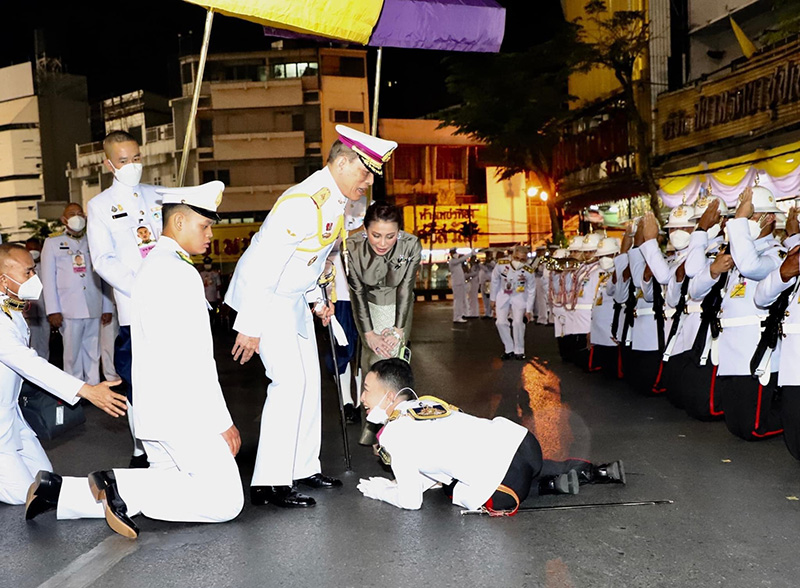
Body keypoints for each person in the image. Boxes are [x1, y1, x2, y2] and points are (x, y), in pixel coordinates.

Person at [25, 181, 243, 538]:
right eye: (204, 226)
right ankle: (117, 487)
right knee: (225, 501)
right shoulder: (179, 272)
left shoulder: (151, 267)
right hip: (183, 413)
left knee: (168, 482)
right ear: (179, 223)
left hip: (155, 412)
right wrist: (221, 420)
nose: (209, 235)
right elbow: (194, 357)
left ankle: (58, 493)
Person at [224, 125, 398, 508]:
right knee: (287, 384)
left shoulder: (334, 202)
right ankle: (269, 483)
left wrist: (319, 298)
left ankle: (301, 468)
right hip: (264, 300)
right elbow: (267, 266)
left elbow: (311, 260)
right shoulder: (303, 202)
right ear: (341, 162)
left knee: (307, 384)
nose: (368, 183)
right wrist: (250, 327)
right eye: (364, 172)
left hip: (292, 299)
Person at [356, 359, 625, 513]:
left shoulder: (393, 434)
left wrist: (382, 491)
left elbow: (411, 502)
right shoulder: (425, 403)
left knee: (453, 488)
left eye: (367, 389)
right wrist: (400, 482)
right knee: (484, 462)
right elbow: (429, 459)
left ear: (390, 397)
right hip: (523, 443)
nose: (362, 397)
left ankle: (547, 487)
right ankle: (596, 471)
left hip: (507, 484)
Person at [0, 244, 127, 506]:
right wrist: (88, 390)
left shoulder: (10, 307)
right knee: (24, 494)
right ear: (4, 280)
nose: (35, 279)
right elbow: (29, 364)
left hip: (11, 417)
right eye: (28, 272)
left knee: (46, 479)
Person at [87, 130, 163, 468]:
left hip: (171, 303)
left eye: (135, 158)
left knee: (176, 377)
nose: (132, 165)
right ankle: (141, 449)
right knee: (140, 384)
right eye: (123, 160)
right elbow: (103, 260)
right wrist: (141, 287)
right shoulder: (100, 206)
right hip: (136, 306)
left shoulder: (159, 195)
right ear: (108, 164)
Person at [345, 202, 422, 445]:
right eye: (376, 235)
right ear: (365, 229)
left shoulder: (411, 245)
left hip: (400, 308)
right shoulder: (353, 247)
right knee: (373, 363)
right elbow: (356, 291)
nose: (382, 242)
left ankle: (398, 428)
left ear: (399, 232)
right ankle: (371, 426)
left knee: (396, 362)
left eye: (390, 236)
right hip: (368, 309)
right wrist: (368, 333)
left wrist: (399, 329)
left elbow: (405, 288)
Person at [40, 203, 113, 385]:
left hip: (93, 304)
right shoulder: (53, 243)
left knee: (93, 350)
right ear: (64, 220)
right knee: (72, 353)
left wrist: (107, 306)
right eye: (72, 214)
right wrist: (53, 310)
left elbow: (104, 277)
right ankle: (74, 388)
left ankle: (93, 386)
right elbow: (48, 280)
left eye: (80, 213)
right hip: (68, 308)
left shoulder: (93, 241)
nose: (77, 216)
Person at [490, 246, 536, 360]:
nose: (519, 262)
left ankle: (519, 350)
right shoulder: (501, 264)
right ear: (512, 255)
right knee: (500, 322)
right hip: (503, 294)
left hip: (519, 296)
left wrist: (529, 310)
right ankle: (509, 348)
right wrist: (493, 298)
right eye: (517, 258)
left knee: (518, 323)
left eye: (522, 260)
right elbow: (494, 280)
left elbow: (531, 290)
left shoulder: (528, 270)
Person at [22, 238, 49, 360]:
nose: (33, 251)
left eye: (35, 248)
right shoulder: (22, 269)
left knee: (44, 344)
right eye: (29, 248)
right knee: (30, 345)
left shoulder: (46, 265)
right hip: (28, 313)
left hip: (45, 311)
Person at [199, 256, 223, 328]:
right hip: (204, 298)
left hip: (213, 297)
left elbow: (219, 286)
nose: (207, 265)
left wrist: (218, 296)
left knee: (214, 314)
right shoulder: (201, 274)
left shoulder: (215, 274)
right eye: (206, 263)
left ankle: (215, 327)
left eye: (209, 263)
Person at [448, 248, 470, 323]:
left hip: (460, 283)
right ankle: (457, 317)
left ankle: (459, 316)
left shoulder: (457, 263)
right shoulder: (453, 261)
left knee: (460, 300)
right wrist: (470, 254)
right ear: (451, 254)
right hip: (457, 284)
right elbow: (461, 259)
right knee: (458, 301)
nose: (456, 254)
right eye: (454, 252)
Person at [479, 252, 495, 319]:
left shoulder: (492, 263)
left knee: (489, 298)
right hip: (483, 283)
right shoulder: (484, 263)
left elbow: (487, 269)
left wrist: (483, 263)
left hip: (488, 283)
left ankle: (490, 313)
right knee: (484, 298)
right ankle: (487, 313)